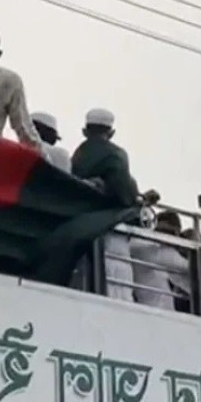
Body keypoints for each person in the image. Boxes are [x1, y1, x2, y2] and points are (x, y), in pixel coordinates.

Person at [70, 107, 138, 301]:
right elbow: (124, 192)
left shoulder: (77, 155)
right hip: (110, 229)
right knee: (118, 291)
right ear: (112, 132)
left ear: (85, 131)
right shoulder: (116, 154)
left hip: (80, 229)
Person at [130, 210, 201, 311]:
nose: (168, 236)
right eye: (165, 232)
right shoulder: (155, 250)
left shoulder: (135, 245)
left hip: (142, 308)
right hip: (157, 312)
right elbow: (188, 268)